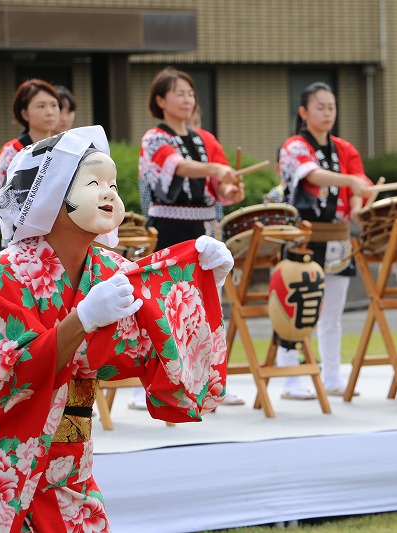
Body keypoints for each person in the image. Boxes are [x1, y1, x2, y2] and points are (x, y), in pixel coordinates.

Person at [0, 126, 232, 531]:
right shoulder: (4, 273)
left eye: (112, 183)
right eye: (94, 182)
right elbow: (5, 376)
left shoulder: (108, 270)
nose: (110, 192)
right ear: (51, 195)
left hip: (68, 464)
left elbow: (152, 339)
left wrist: (204, 284)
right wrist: (82, 320)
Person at [136, 67, 245, 407]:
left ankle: (211, 381)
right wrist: (215, 170)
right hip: (168, 229)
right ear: (160, 100)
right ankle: (156, 384)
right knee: (165, 305)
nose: (186, 99)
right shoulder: (154, 138)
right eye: (178, 93)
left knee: (209, 304)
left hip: (205, 230)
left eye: (190, 93)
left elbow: (221, 186)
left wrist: (230, 188)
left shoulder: (206, 140)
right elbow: (176, 166)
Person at [277, 82, 373, 399]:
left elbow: (361, 187)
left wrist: (360, 206)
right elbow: (311, 175)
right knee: (296, 311)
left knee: (332, 314)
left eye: (331, 106)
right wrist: (352, 182)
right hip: (304, 241)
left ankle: (332, 376)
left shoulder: (346, 149)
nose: (328, 112)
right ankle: (291, 379)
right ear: (304, 112)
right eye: (320, 106)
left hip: (338, 239)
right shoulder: (294, 146)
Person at [0, 79, 60, 234]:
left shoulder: (64, 149)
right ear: (24, 113)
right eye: (41, 106)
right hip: (20, 239)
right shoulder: (12, 152)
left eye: (54, 105)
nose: (50, 111)